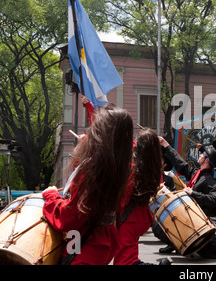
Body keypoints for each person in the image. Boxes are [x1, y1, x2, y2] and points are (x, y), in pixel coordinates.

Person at [42, 104, 134, 265]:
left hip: (85, 247)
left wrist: (51, 196)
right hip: (103, 243)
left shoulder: (93, 170)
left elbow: (69, 218)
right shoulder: (123, 168)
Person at [114, 128, 171, 265]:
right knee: (126, 256)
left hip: (130, 218)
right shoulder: (154, 167)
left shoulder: (135, 169)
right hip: (141, 216)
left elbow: (124, 198)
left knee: (125, 261)